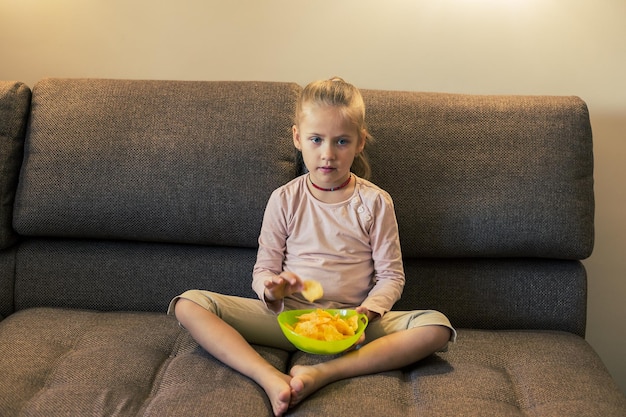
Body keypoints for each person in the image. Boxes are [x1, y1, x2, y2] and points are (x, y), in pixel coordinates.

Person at [168, 77, 455, 417]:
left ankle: (321, 374)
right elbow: (263, 270)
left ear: (360, 143)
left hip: (352, 324)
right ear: (297, 138)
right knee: (189, 305)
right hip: (288, 318)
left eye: (341, 141)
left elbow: (391, 277)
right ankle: (270, 378)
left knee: (437, 326)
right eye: (316, 139)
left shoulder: (376, 203)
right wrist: (272, 291)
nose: (327, 154)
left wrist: (366, 314)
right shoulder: (285, 199)